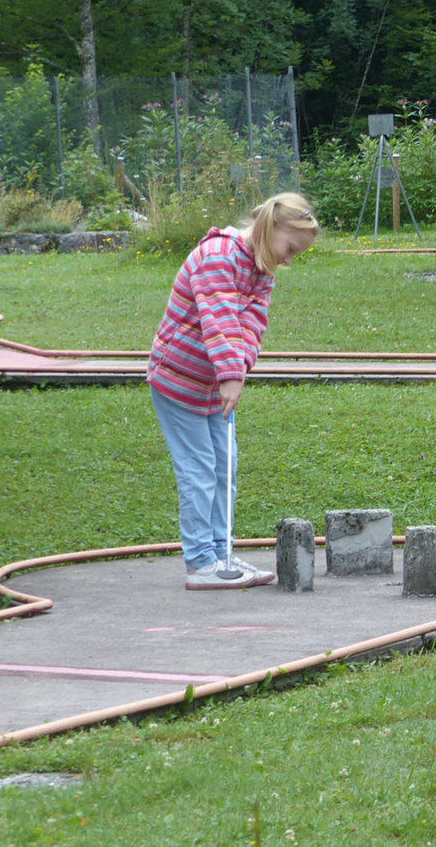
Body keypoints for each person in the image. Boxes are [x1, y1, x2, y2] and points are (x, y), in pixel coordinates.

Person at [148, 193, 320, 590]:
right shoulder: (218, 256)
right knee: (199, 471)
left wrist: (238, 368)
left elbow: (253, 323)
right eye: (291, 248)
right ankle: (199, 563)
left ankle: (220, 555)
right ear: (272, 228)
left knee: (226, 467)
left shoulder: (262, 269)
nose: (290, 259)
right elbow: (218, 316)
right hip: (178, 380)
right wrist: (230, 372)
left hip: (214, 386)